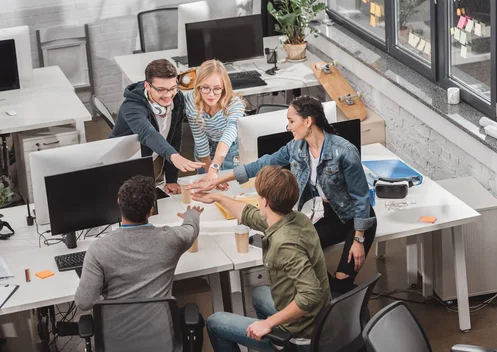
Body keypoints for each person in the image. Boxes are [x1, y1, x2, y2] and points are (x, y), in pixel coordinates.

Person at [190, 95, 377, 295]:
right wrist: (217, 179)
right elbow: (262, 163)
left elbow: (361, 198)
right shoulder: (296, 147)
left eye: (291, 121)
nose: (288, 127)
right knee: (294, 250)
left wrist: (359, 240)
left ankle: (343, 301)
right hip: (331, 216)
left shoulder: (345, 152)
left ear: (308, 121)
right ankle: (321, 297)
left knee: (342, 284)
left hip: (357, 220)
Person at [196, 166, 330, 352]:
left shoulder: (285, 245)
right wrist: (218, 197)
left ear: (265, 202)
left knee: (215, 322)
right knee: (259, 294)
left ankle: (279, 342)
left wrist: (269, 323)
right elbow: (251, 216)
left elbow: (311, 294)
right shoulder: (297, 218)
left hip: (302, 334)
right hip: (320, 318)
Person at [74, 175, 204, 347]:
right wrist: (192, 215)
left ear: (118, 201)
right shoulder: (171, 239)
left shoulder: (99, 249)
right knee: (197, 319)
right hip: (162, 341)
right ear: (150, 210)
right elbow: (190, 229)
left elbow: (84, 302)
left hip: (116, 343)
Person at [110, 59, 203, 194]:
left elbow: (175, 136)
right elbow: (148, 133)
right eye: (161, 90)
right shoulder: (131, 107)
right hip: (124, 165)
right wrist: (174, 156)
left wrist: (171, 179)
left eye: (172, 88)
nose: (167, 95)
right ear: (147, 86)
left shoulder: (177, 98)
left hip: (151, 160)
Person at [184, 59, 245, 186]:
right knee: (206, 184)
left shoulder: (234, 104)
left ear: (224, 88)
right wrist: (209, 171)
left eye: (217, 89)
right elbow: (199, 137)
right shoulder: (191, 100)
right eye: (205, 88)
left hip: (229, 147)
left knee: (231, 186)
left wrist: (214, 167)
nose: (211, 95)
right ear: (198, 86)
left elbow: (228, 135)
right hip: (205, 147)